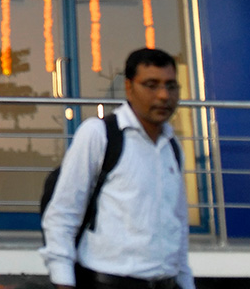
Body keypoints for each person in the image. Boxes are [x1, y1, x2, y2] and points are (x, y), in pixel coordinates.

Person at [40, 48, 193, 289]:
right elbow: (63, 214)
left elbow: (179, 225)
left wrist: (186, 281)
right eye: (151, 85)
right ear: (129, 87)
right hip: (109, 282)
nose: (164, 95)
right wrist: (63, 280)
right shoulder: (100, 135)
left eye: (171, 86)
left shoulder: (172, 147)